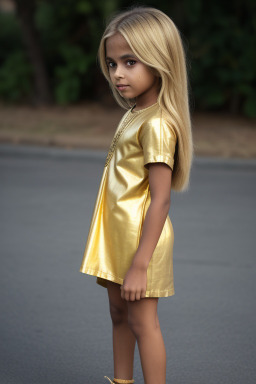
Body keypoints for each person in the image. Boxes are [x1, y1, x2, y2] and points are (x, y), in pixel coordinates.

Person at [80, 6, 193, 384]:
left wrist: (141, 264)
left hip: (141, 239)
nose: (117, 73)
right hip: (119, 233)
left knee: (143, 321)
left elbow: (161, 198)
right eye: (112, 64)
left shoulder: (158, 122)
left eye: (130, 62)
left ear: (160, 60)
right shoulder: (135, 113)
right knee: (119, 315)